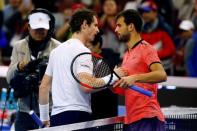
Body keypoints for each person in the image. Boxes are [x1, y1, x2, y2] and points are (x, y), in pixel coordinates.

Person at [39, 9, 120, 127]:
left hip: (56, 117)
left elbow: (43, 87)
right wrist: (114, 76)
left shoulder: (55, 51)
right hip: (77, 116)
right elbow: (86, 85)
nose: (97, 30)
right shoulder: (83, 51)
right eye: (95, 25)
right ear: (84, 25)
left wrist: (44, 118)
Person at [6, 8, 60, 131]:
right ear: (29, 27)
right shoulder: (19, 46)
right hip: (24, 111)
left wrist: (43, 83)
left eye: (43, 28)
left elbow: (62, 81)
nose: (39, 31)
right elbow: (9, 78)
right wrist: (19, 66)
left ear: (49, 27)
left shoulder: (58, 48)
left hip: (50, 109)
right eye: (36, 28)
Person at [113, 9, 167, 131]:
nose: (116, 30)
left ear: (131, 26)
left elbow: (162, 75)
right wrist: (112, 81)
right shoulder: (127, 55)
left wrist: (134, 77)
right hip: (131, 119)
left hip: (147, 117)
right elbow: (125, 90)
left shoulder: (146, 49)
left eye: (119, 25)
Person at [87, 31, 120, 119]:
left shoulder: (111, 56)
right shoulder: (85, 59)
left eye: (88, 46)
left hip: (108, 103)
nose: (85, 49)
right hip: (91, 104)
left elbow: (106, 73)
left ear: (97, 44)